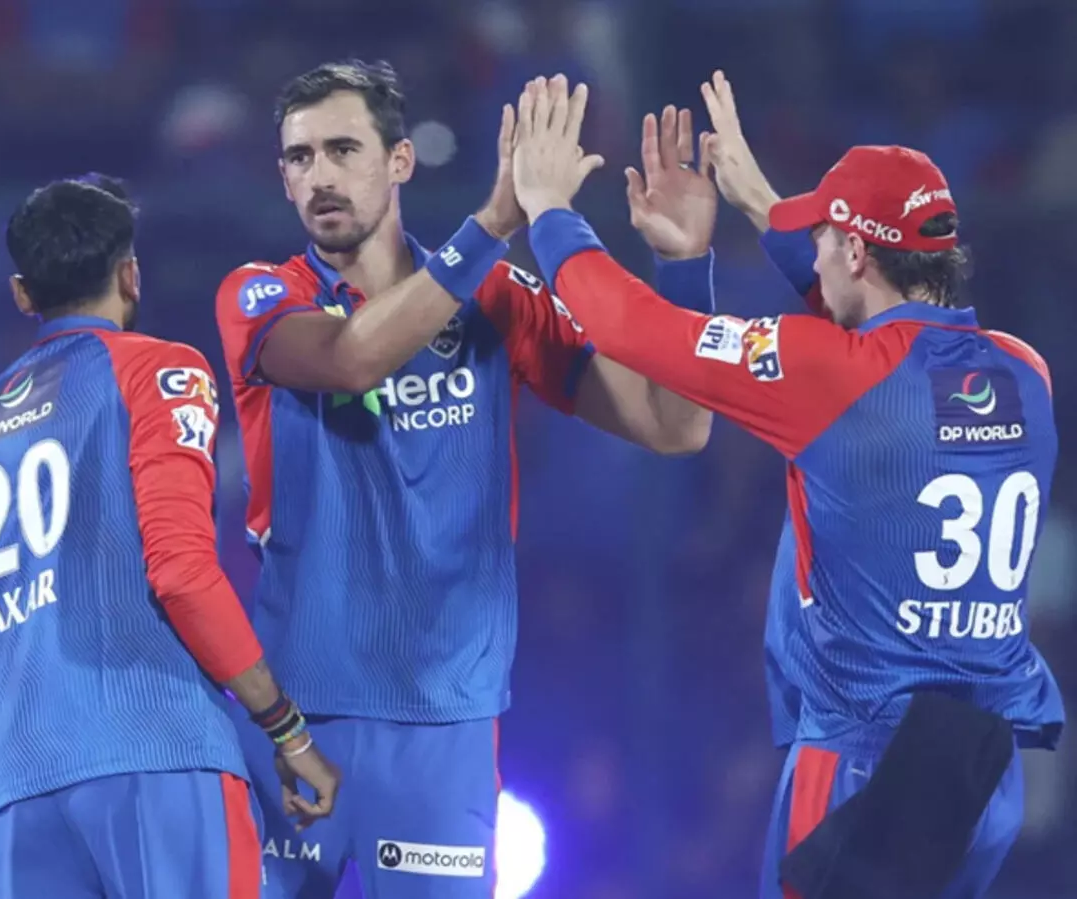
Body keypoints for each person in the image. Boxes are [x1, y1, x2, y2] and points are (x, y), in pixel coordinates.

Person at [510, 73, 1065, 899]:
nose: (812, 250)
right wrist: (762, 204)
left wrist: (548, 210)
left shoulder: (829, 374)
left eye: (821, 236)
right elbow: (882, 345)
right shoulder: (1023, 372)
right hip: (982, 770)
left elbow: (630, 326)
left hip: (866, 766)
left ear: (856, 252)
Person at [213, 60, 716, 897]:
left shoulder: (495, 295)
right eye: (300, 157)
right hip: (291, 721)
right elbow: (350, 359)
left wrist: (685, 268)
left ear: (401, 161)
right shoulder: (262, 294)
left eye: (343, 149)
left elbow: (675, 425)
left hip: (444, 727)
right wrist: (492, 223)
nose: (320, 175)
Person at [0, 175, 341, 899]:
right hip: (154, 753)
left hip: (19, 790)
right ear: (131, 275)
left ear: (23, 295)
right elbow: (183, 573)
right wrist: (286, 728)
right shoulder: (158, 368)